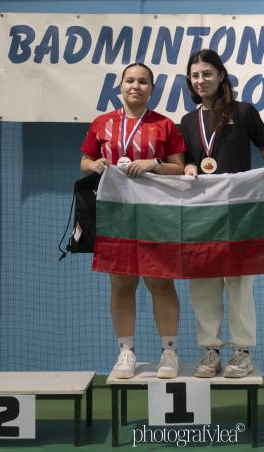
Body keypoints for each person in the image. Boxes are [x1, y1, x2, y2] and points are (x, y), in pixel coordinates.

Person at [80, 62, 187, 379]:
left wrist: (154, 164)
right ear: (120, 86)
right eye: (129, 80)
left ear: (152, 89)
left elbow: (179, 167)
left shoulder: (165, 125)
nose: (135, 86)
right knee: (122, 284)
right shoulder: (101, 124)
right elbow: (85, 160)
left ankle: (169, 352)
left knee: (160, 282)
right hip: (117, 215)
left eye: (143, 81)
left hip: (156, 214)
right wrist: (94, 165)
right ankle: (125, 352)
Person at [179, 49, 264, 378]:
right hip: (201, 214)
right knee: (203, 284)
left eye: (207, 73)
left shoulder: (244, 111)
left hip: (239, 212)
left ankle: (242, 352)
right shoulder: (187, 121)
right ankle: (210, 351)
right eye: (195, 75)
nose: (201, 80)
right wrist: (189, 166)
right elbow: (186, 159)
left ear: (221, 75)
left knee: (239, 283)